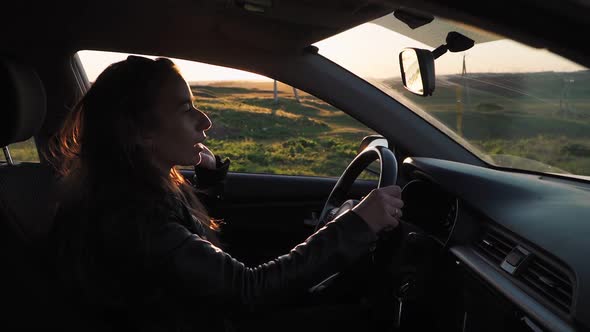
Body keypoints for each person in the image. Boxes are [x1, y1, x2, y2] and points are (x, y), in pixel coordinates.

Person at [47, 55, 404, 332]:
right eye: (186, 110)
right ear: (141, 133)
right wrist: (356, 225)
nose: (205, 121)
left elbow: (185, 253)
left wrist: (210, 184)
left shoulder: (133, 189)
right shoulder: (129, 215)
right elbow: (247, 290)